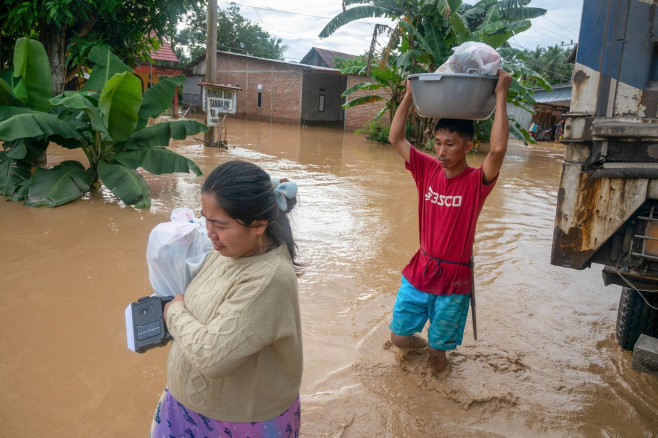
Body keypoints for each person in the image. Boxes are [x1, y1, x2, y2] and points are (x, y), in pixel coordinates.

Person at [150, 160, 304, 437]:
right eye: (205, 218)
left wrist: (173, 313)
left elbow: (211, 357)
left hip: (237, 423)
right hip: (186, 407)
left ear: (258, 225)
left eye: (218, 225)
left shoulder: (268, 280)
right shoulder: (230, 250)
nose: (208, 232)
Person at [387, 69, 512, 374]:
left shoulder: (476, 181)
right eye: (438, 143)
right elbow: (395, 138)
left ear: (468, 147)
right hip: (421, 269)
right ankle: (421, 349)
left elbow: (497, 149)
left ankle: (436, 389)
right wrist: (409, 95)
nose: (441, 151)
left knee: (436, 354)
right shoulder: (426, 168)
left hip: (454, 280)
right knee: (399, 338)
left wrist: (500, 93)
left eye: (450, 144)